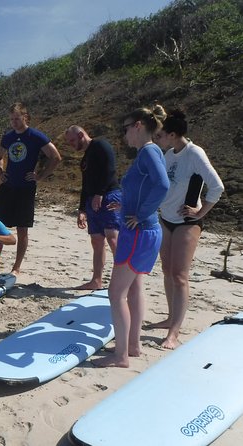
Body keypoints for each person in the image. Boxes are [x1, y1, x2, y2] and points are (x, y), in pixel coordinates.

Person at [92, 106, 170, 368]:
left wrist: (141, 213)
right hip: (142, 229)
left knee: (116, 294)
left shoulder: (148, 150)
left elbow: (162, 185)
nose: (123, 134)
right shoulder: (150, 151)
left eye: (125, 128)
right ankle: (133, 346)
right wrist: (125, 205)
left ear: (137, 125)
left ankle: (121, 356)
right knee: (135, 287)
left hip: (138, 232)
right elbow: (145, 186)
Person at [148, 109, 224, 349]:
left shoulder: (194, 153)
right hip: (166, 219)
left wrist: (200, 213)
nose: (158, 139)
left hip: (187, 222)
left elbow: (217, 187)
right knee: (167, 269)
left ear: (172, 134)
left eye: (160, 135)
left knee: (180, 275)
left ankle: (174, 332)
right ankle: (170, 317)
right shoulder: (170, 154)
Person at [0, 102, 62, 278]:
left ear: (26, 117)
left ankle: (16, 267)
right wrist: (0, 171)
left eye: (17, 118)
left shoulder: (36, 136)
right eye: (11, 119)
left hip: (25, 189)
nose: (14, 122)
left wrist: (40, 175)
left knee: (22, 229)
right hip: (8, 187)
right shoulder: (7, 137)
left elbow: (55, 157)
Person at [65, 125, 121, 290]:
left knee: (113, 237)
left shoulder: (101, 146)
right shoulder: (85, 158)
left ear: (81, 135)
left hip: (109, 194)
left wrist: (100, 193)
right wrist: (82, 209)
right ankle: (96, 280)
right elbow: (85, 184)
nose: (71, 145)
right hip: (92, 199)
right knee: (97, 240)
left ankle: (123, 280)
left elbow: (110, 170)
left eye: (72, 141)